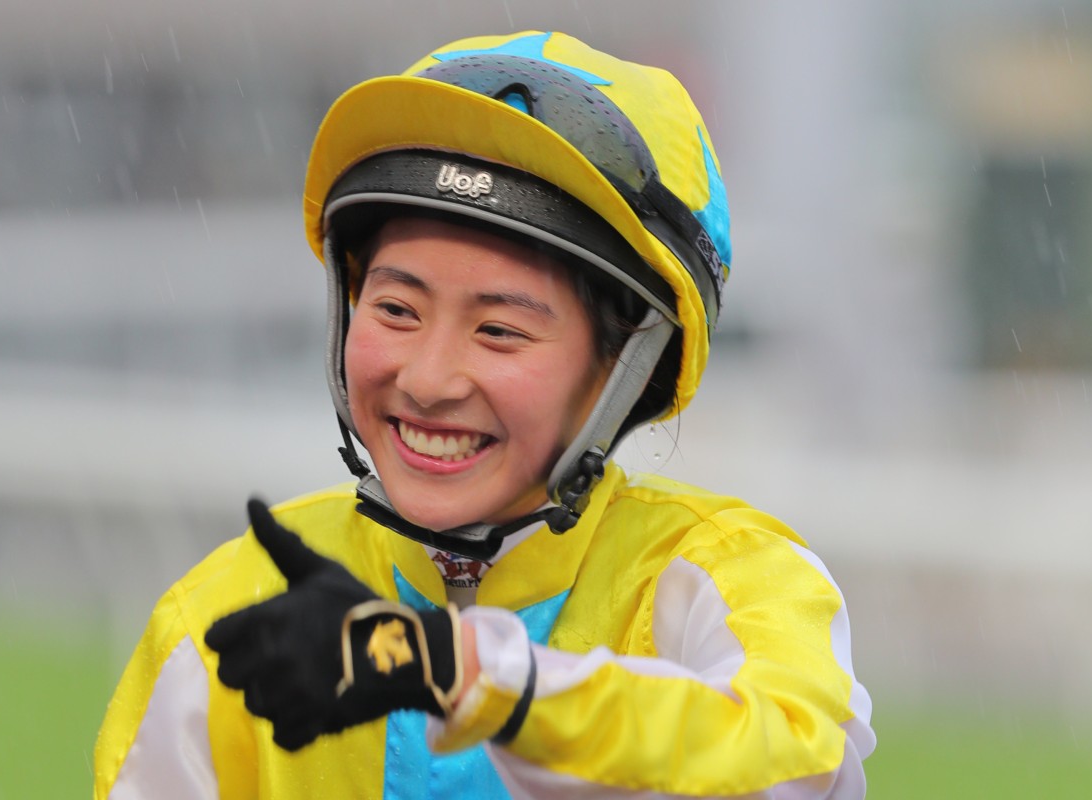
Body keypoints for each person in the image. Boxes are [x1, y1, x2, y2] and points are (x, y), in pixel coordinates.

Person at [93, 30, 876, 799]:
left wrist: (455, 669)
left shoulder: (726, 583)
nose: (429, 380)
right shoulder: (227, 610)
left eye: (498, 330)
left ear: (623, 368)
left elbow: (790, 764)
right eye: (397, 308)